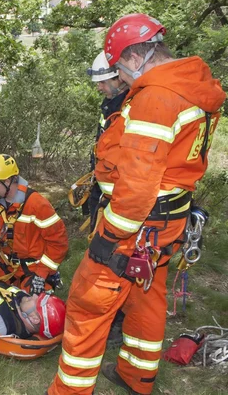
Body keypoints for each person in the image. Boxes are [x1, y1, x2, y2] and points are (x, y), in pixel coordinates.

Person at [48, 14, 225, 395]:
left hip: (136, 224)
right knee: (146, 297)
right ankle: (137, 375)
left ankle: (70, 390)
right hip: (166, 221)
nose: (122, 81)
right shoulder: (191, 88)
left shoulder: (157, 97)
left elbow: (138, 184)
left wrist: (109, 236)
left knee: (88, 305)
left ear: (131, 58)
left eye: (119, 71)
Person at [87, 51, 130, 349]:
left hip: (123, 201)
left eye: (104, 82)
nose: (100, 87)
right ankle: (109, 315)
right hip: (104, 194)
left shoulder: (134, 106)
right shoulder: (112, 103)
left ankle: (116, 322)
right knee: (102, 255)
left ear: (119, 76)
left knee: (116, 260)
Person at [0, 154, 68, 294]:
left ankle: (49, 281)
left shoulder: (37, 205)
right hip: (4, 264)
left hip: (32, 269)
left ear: (8, 181)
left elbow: (59, 243)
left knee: (33, 308)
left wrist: (42, 273)